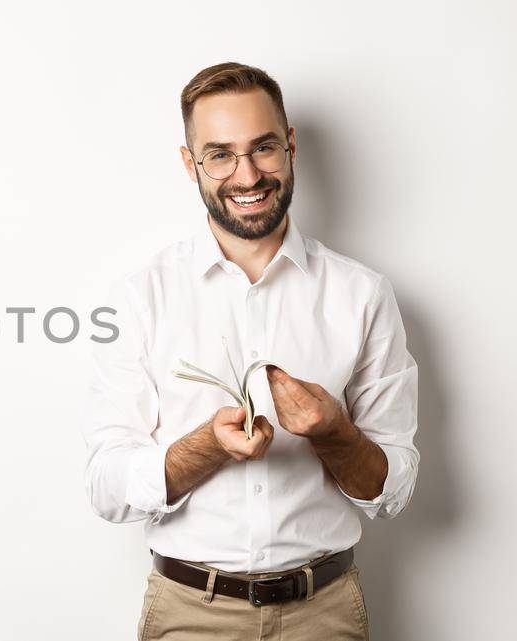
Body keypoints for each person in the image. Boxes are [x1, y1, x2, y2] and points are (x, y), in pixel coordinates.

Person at [81, 62, 420, 640]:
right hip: (191, 614)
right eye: (219, 154)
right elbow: (108, 489)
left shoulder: (362, 295)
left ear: (289, 147)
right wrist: (205, 447)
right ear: (191, 165)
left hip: (325, 614)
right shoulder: (140, 297)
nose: (247, 175)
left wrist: (332, 432)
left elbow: (393, 491)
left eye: (263, 147)